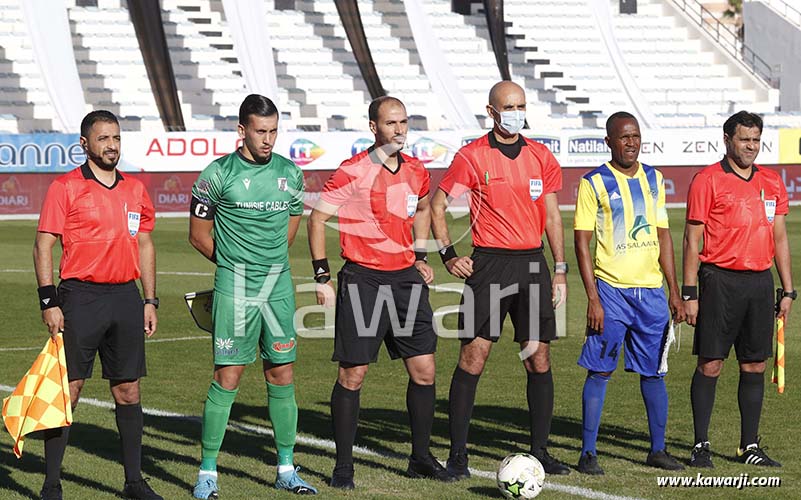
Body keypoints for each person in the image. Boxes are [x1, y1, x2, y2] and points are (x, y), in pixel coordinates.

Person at [308, 96, 453, 489]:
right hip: (364, 281)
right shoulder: (353, 170)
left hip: (406, 279)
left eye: (404, 122)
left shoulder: (417, 170)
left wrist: (421, 255)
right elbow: (318, 217)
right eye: (391, 123)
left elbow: (422, 209)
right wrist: (322, 277)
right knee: (353, 374)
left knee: (424, 371)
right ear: (373, 127)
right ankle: (343, 468)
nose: (399, 130)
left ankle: (420, 458)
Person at [430, 80, 570, 477]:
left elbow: (554, 216)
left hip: (532, 265)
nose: (516, 113)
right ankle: (458, 455)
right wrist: (448, 255)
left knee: (539, 358)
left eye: (521, 106)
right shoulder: (472, 156)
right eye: (509, 107)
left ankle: (540, 451)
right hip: (489, 265)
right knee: (474, 357)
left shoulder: (541, 156)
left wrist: (559, 270)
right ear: (491, 112)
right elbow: (438, 204)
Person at [188, 94, 316, 498]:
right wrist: (233, 266)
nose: (268, 139)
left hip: (277, 287)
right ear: (242, 131)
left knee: (282, 373)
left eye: (274, 131)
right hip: (236, 287)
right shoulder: (216, 174)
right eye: (261, 131)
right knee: (228, 375)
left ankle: (286, 468)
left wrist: (269, 264)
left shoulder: (290, 173)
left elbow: (292, 225)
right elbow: (198, 235)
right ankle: (207, 473)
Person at [34, 110, 162, 500]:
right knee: (69, 390)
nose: (112, 146)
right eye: (104, 138)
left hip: (125, 296)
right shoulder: (65, 187)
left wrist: (149, 299)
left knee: (128, 390)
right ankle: (52, 483)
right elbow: (44, 244)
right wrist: (48, 300)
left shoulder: (135, 189)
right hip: (80, 297)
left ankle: (134, 483)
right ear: (85, 144)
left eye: (117, 138)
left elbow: (144, 243)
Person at [573, 112, 685, 475]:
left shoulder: (655, 178)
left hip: (651, 295)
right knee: (600, 370)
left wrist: (674, 290)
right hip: (612, 294)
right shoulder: (593, 183)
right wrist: (593, 297)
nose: (631, 142)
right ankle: (588, 452)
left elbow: (663, 234)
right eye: (623, 137)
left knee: (654, 372)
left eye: (635, 136)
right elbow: (582, 241)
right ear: (609, 141)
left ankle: (658, 449)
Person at [684, 111, 794, 468]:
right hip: (719, 281)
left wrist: (788, 291)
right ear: (727, 139)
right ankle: (700, 445)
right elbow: (692, 238)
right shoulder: (707, 179)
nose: (751, 146)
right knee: (711, 364)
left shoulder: (772, 182)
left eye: (756, 140)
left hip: (760, 283)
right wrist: (689, 293)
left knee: (754, 366)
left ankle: (749, 447)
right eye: (744, 139)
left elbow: (779, 236)